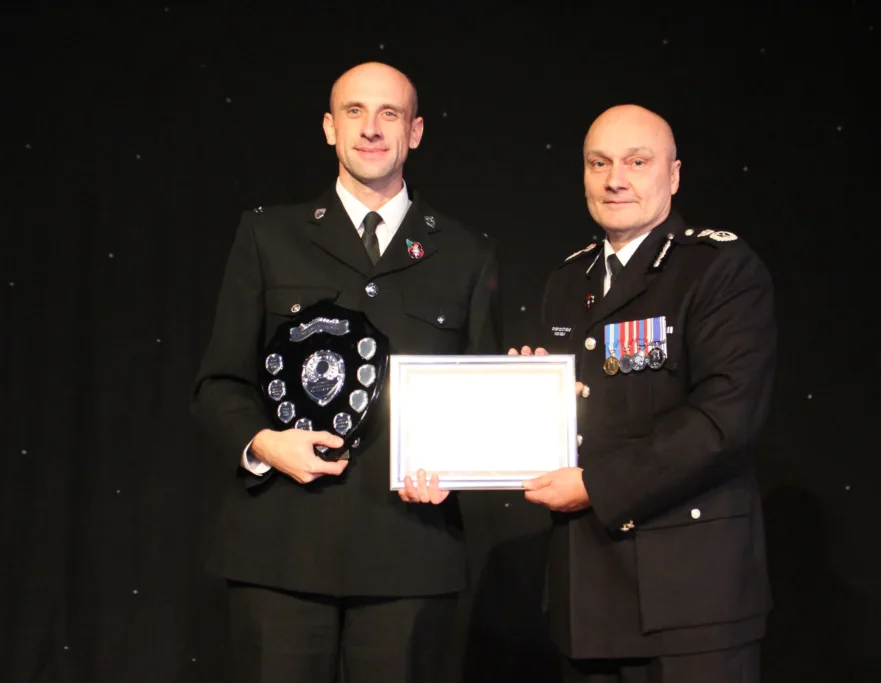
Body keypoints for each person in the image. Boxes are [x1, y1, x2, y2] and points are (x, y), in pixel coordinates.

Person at [191, 61, 500, 683]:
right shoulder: (267, 235)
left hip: (409, 552)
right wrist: (266, 445)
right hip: (281, 549)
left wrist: (464, 463)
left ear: (414, 132)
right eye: (354, 112)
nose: (371, 129)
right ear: (330, 128)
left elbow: (481, 401)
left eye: (390, 114)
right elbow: (218, 384)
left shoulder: (466, 253)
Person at [511, 105, 776, 682]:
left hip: (692, 596)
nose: (615, 180)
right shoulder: (566, 281)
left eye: (637, 161)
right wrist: (524, 398)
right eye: (598, 163)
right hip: (588, 591)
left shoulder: (719, 269)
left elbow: (723, 422)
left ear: (674, 175)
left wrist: (596, 486)